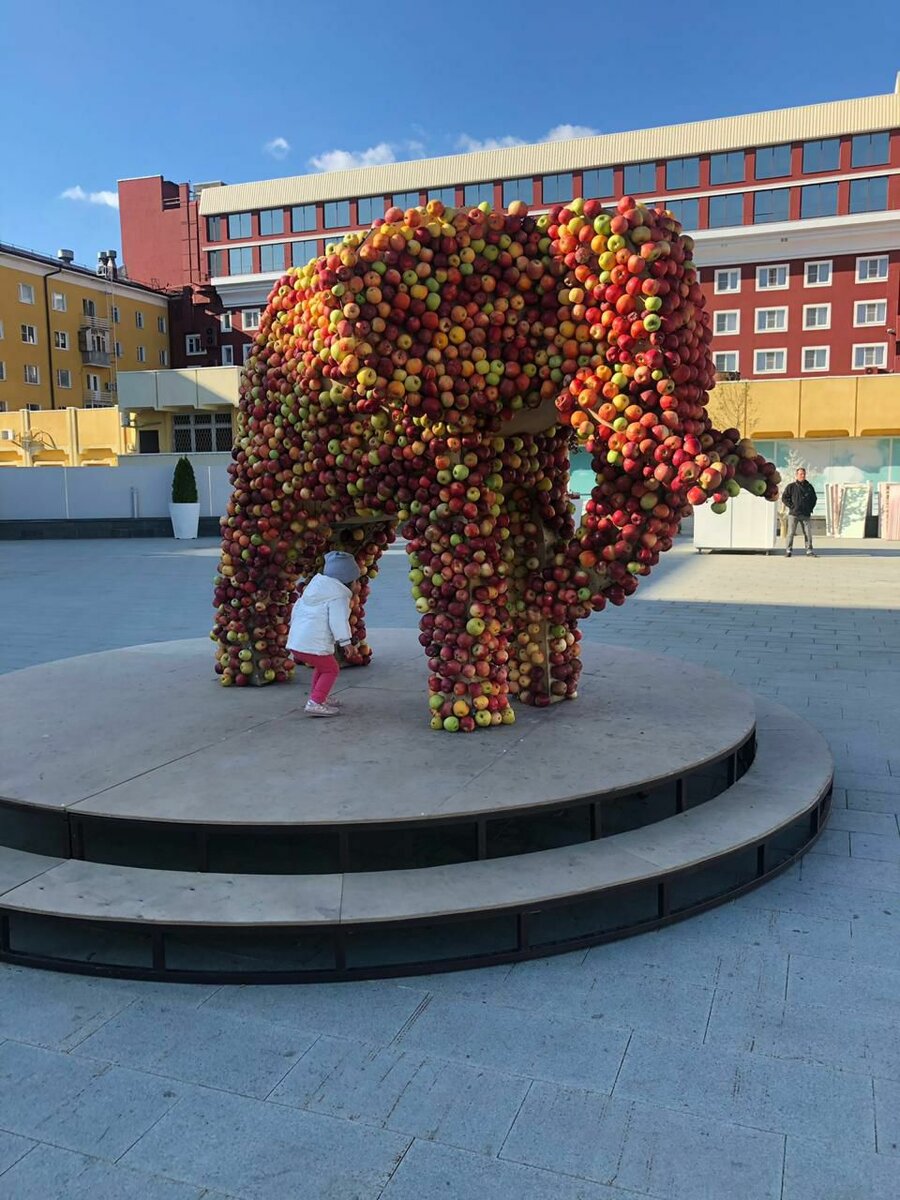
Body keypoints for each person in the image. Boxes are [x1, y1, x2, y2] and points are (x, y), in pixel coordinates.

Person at [286, 550, 360, 716]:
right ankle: (315, 701)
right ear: (347, 581)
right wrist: (346, 642)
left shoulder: (314, 590)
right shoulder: (338, 596)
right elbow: (338, 621)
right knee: (331, 669)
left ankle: (319, 695)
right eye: (356, 580)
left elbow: (296, 610)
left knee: (323, 666)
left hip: (298, 642)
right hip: (313, 643)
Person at [781, 467, 818, 557]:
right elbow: (784, 498)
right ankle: (788, 550)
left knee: (808, 533)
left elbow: (814, 499)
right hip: (794, 514)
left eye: (804, 474)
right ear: (796, 475)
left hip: (805, 514)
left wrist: (809, 508)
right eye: (801, 474)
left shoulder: (809, 487)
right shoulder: (791, 486)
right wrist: (792, 506)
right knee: (790, 533)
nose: (802, 475)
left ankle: (809, 550)